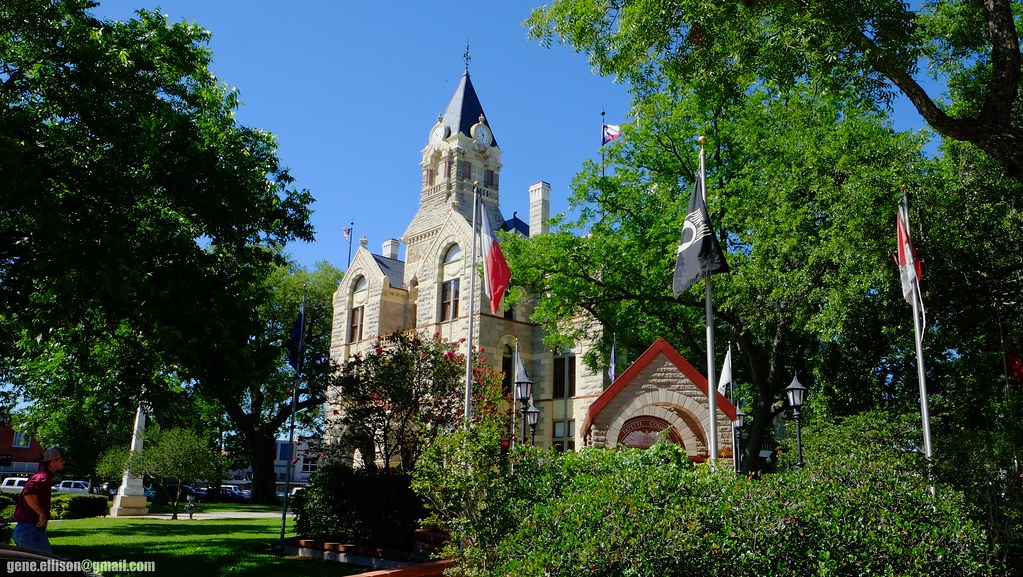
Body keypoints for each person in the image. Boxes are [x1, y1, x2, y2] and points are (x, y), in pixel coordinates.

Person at [13, 447, 65, 553]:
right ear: (53, 462)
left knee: (36, 563)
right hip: (30, 530)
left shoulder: (43, 476)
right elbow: (28, 493)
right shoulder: (42, 477)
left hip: (28, 530)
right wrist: (41, 512)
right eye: (61, 460)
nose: (64, 462)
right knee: (46, 562)